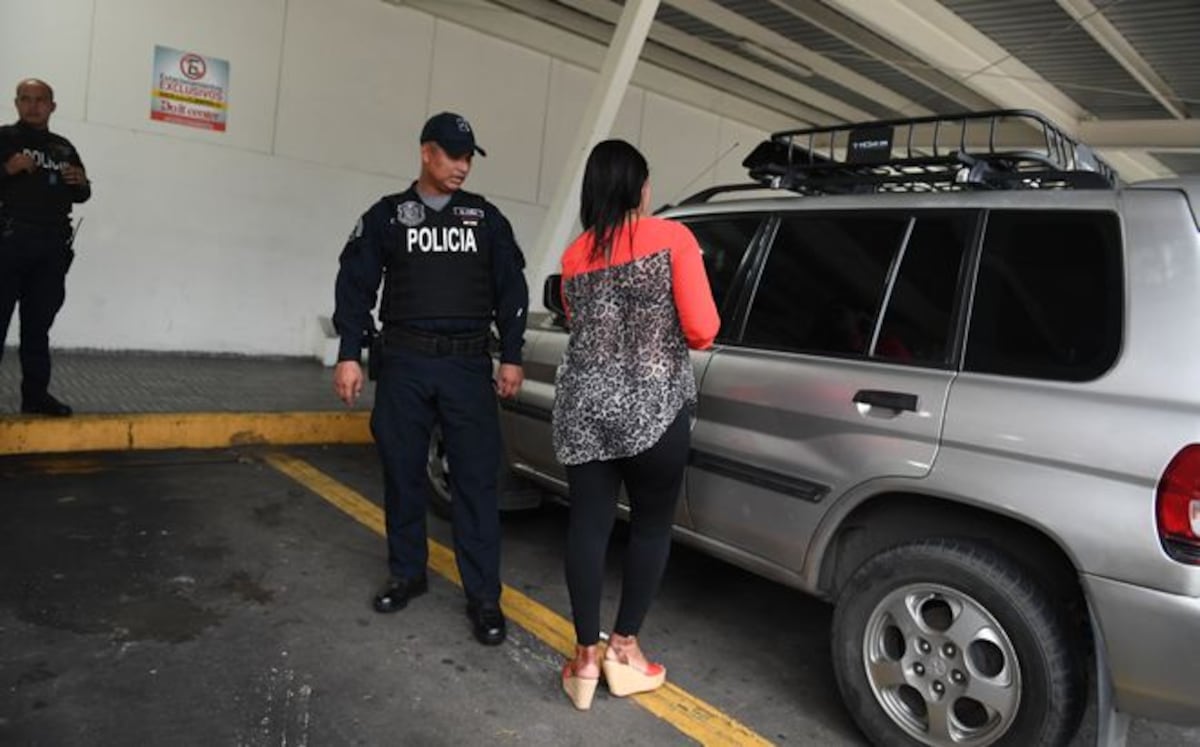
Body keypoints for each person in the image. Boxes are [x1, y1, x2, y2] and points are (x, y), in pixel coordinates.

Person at [331, 112, 528, 646]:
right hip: (405, 364)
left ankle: (484, 597)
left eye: (468, 157)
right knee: (402, 472)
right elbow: (354, 285)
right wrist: (349, 353)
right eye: (452, 154)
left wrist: (511, 355)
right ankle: (407, 573)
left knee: (475, 482)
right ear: (426, 153)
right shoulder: (390, 217)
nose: (462, 166)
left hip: (466, 366)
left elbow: (512, 290)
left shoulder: (484, 219)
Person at [553, 140, 719, 710]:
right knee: (649, 527)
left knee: (588, 528)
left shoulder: (574, 254)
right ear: (639, 187)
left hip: (585, 408)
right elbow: (702, 329)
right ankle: (625, 651)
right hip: (654, 409)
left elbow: (579, 324)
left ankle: (583, 664)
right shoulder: (673, 238)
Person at [0, 79, 90, 416]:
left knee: (38, 327)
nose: (33, 105)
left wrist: (81, 183)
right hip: (10, 241)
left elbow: (82, 194)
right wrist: (6, 169)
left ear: (52, 106)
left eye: (40, 100)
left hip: (52, 246)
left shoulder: (63, 147)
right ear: (16, 103)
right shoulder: (5, 139)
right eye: (26, 99)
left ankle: (35, 396)